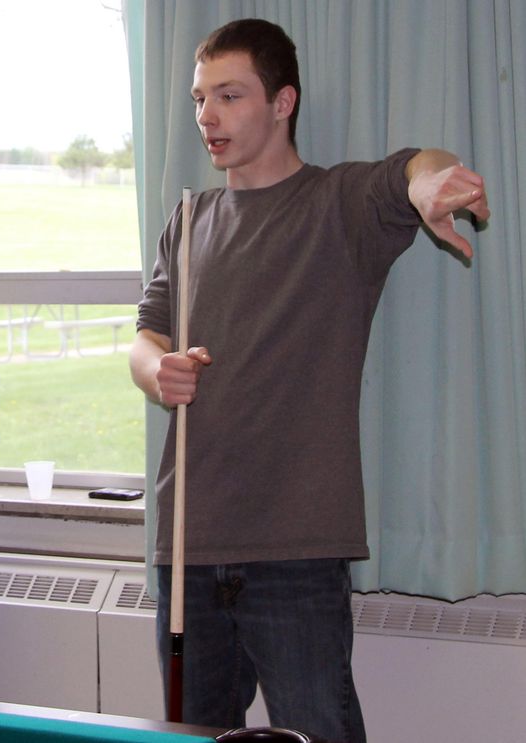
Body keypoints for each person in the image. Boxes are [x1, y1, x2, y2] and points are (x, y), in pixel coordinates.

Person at [129, 18, 489, 743]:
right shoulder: (189, 216)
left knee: (321, 732)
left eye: (229, 96)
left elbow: (415, 163)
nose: (207, 116)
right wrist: (155, 369)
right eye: (201, 98)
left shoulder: (339, 205)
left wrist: (431, 186)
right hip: (188, 543)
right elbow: (148, 332)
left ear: (283, 101)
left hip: (295, 553)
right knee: (192, 735)